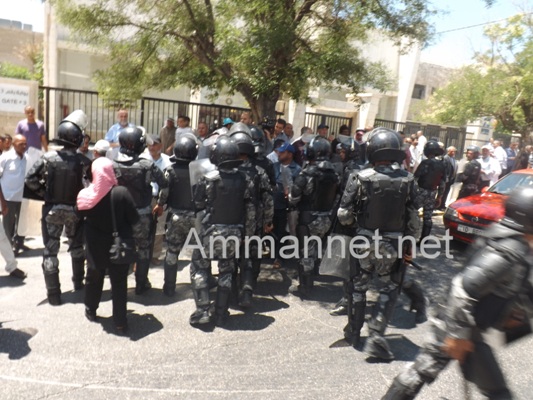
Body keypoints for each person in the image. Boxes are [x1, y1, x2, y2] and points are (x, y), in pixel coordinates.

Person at [382, 186, 533, 400]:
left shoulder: (506, 236)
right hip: (458, 326)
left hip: (469, 327)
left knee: (423, 372)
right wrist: (457, 336)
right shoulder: (508, 252)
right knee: (495, 391)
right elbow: (463, 289)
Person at [337, 127, 419, 360]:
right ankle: (376, 335)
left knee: (358, 287)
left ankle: (353, 333)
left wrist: (355, 224)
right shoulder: (408, 180)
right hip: (394, 244)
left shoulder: (360, 177)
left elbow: (343, 214)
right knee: (389, 288)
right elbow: (414, 218)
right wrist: (411, 242)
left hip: (362, 241)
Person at [25, 110, 92, 305]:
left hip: (52, 210)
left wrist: (45, 194)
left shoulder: (48, 158)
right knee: (77, 247)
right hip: (75, 211)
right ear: (77, 138)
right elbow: (93, 185)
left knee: (50, 251)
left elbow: (30, 179)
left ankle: (53, 295)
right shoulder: (84, 161)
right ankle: (78, 284)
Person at [189, 136, 253, 326]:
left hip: (211, 232)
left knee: (199, 266)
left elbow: (198, 205)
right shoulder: (245, 179)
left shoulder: (207, 179)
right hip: (235, 232)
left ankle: (202, 311)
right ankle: (221, 313)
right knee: (226, 270)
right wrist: (247, 235)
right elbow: (250, 210)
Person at [77, 157, 139, 334]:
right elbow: (134, 218)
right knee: (119, 283)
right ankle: (120, 322)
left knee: (94, 278)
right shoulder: (121, 193)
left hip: (95, 246)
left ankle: (91, 310)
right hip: (119, 245)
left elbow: (78, 214)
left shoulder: (86, 195)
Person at [113, 126, 169, 295]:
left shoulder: (112, 164)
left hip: (120, 215)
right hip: (142, 215)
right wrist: (160, 204)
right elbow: (165, 184)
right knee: (144, 249)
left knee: (122, 246)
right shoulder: (147, 165)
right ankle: (141, 283)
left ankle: (120, 286)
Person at [289, 136, 340, 296]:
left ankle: (305, 286)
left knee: (305, 252)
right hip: (327, 219)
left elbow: (294, 197)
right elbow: (338, 196)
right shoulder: (335, 173)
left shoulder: (306, 174)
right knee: (318, 249)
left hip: (308, 219)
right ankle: (314, 275)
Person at [230, 124, 274, 307]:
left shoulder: (227, 171)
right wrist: (268, 221)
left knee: (231, 256)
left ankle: (230, 291)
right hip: (253, 223)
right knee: (250, 256)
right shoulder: (259, 172)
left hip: (231, 222)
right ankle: (247, 290)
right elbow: (268, 199)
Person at [162, 133, 198, 297]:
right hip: (195, 218)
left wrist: (160, 205)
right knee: (198, 254)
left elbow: (164, 194)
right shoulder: (200, 170)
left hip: (175, 216)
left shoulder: (170, 170)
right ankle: (199, 287)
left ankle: (169, 287)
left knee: (172, 252)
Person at [142, 134, 172, 266]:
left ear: (160, 146)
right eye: (149, 144)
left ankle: (154, 255)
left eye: (154, 144)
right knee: (142, 227)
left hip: (160, 198)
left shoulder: (168, 161)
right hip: (144, 197)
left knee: (159, 228)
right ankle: (140, 255)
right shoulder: (143, 159)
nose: (151, 147)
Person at [272, 142, 301, 269]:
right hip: (271, 204)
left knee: (281, 231)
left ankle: (279, 257)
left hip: (285, 206)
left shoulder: (297, 169)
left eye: (282, 152)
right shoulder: (274, 166)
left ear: (290, 154)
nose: (279, 154)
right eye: (279, 151)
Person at [0, 134, 29, 255]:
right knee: (8, 225)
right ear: (13, 144)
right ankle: (8, 249)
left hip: (23, 197)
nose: (24, 146)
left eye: (25, 144)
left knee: (21, 223)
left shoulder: (26, 158)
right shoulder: (5, 158)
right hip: (8, 197)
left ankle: (18, 243)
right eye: (21, 144)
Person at [414, 140, 446, 242]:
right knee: (427, 217)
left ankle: (409, 238)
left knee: (412, 212)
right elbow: (442, 183)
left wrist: (412, 193)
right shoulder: (442, 165)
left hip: (421, 192)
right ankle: (424, 240)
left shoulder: (425, 163)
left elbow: (415, 178)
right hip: (432, 193)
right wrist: (439, 197)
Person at [439, 146, 458, 210]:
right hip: (445, 179)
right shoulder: (445, 158)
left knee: (446, 192)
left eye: (454, 151)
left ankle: (443, 204)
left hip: (451, 179)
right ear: (448, 151)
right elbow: (444, 169)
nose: (453, 153)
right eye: (452, 151)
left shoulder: (453, 159)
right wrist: (446, 177)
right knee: (442, 193)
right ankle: (440, 205)